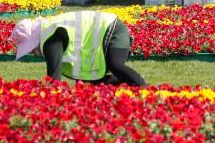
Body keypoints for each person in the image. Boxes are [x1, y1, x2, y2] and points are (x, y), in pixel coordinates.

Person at [9, 10, 147, 86]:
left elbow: (54, 76)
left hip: (112, 29)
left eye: (30, 48)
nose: (32, 52)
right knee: (91, 80)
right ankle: (131, 83)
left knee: (115, 64)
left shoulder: (50, 37)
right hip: (109, 30)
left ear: (33, 39)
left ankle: (145, 89)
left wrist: (50, 100)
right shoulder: (49, 31)